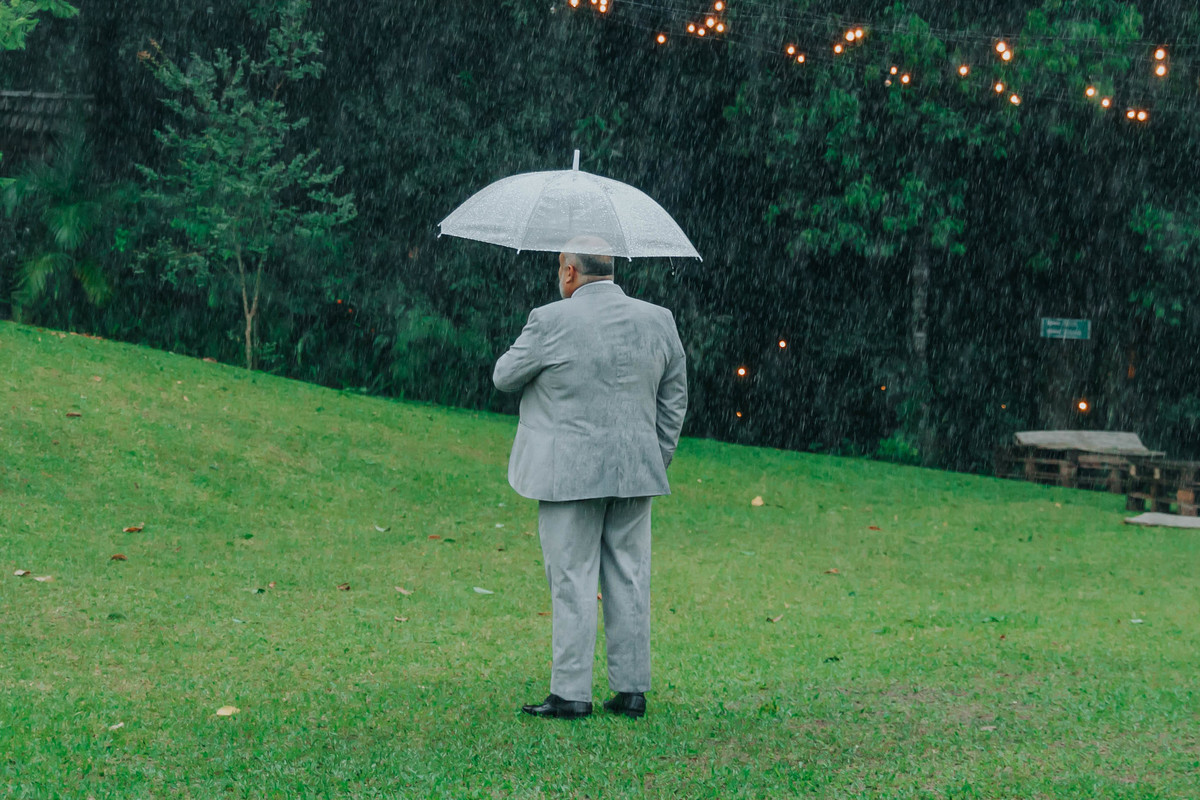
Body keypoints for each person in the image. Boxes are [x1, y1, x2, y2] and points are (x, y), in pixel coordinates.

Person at [493, 236, 688, 720]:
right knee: (631, 577)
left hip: (568, 476)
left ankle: (570, 693)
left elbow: (504, 376)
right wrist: (657, 456)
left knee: (571, 578)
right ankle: (631, 690)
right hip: (636, 471)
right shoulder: (658, 319)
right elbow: (674, 397)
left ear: (569, 271)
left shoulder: (549, 320)